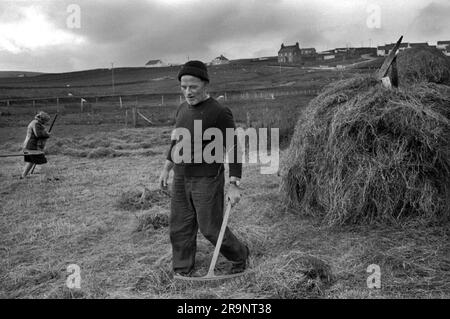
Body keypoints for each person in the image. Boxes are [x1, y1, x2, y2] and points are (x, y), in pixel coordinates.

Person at [159, 60, 249, 276]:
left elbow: (233, 146)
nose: (187, 92)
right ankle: (183, 270)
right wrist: (166, 168)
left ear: (205, 85)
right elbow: (176, 142)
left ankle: (240, 256)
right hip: (181, 178)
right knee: (180, 226)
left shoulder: (219, 112)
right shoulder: (182, 109)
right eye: (183, 87)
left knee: (210, 227)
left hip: (207, 178)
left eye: (193, 87)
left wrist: (234, 183)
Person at [21, 111, 51, 178]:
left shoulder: (35, 122)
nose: (46, 123)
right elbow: (38, 134)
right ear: (42, 119)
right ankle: (49, 177)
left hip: (28, 146)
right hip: (32, 146)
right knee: (42, 161)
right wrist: (47, 134)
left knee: (31, 161)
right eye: (46, 121)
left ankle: (23, 175)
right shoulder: (36, 124)